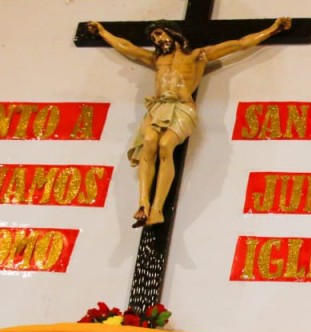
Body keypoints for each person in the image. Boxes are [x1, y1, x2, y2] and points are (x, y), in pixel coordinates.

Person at [88, 18, 291, 228]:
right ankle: (143, 203)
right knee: (148, 142)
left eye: (158, 33)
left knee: (165, 144)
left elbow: (239, 44)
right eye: (153, 38)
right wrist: (102, 32)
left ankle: (157, 209)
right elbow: (128, 48)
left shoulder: (197, 56)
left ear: (172, 32)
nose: (156, 40)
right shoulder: (157, 59)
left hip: (182, 107)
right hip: (158, 107)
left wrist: (273, 29)